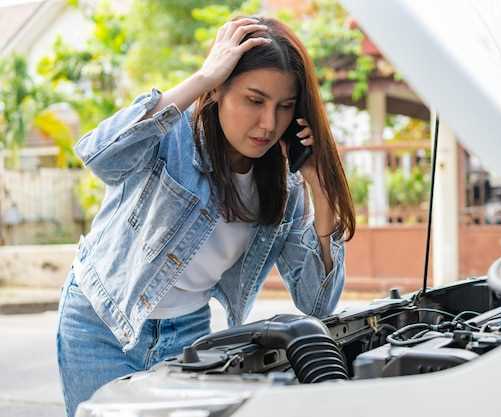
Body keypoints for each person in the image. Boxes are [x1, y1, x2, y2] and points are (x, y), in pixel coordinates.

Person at [56, 16, 355, 417]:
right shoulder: (172, 133)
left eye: (284, 107)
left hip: (188, 335)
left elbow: (317, 303)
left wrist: (318, 185)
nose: (269, 124)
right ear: (219, 90)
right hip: (102, 322)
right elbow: (100, 156)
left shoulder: (285, 184)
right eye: (254, 100)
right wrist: (203, 76)